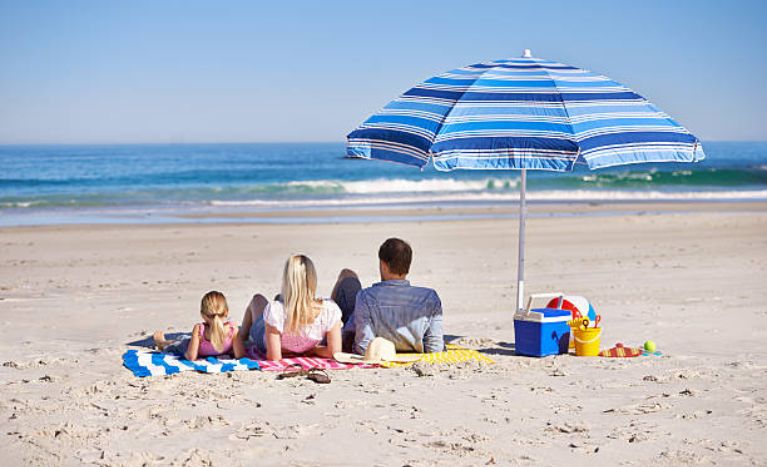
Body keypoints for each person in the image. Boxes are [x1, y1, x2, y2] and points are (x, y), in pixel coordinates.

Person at [332, 238, 444, 355]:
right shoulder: (430, 297)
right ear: (408, 267)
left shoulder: (365, 297)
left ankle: (331, 333)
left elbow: (364, 347)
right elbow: (435, 348)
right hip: (413, 348)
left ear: (384, 265)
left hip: (370, 337)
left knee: (347, 275)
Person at [240, 254, 342, 361]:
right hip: (306, 342)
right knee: (273, 306)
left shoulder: (275, 311)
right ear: (313, 279)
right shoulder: (330, 310)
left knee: (257, 299)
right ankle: (282, 300)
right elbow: (334, 352)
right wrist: (314, 350)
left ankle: (242, 336)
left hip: (272, 334)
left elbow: (274, 357)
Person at [154, 290, 246, 360]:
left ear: (203, 315)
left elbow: (191, 357)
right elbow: (240, 355)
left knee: (179, 342)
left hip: (190, 345)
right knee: (182, 340)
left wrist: (185, 354)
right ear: (226, 312)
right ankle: (162, 342)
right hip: (190, 343)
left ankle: (162, 343)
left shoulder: (199, 329)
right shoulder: (232, 329)